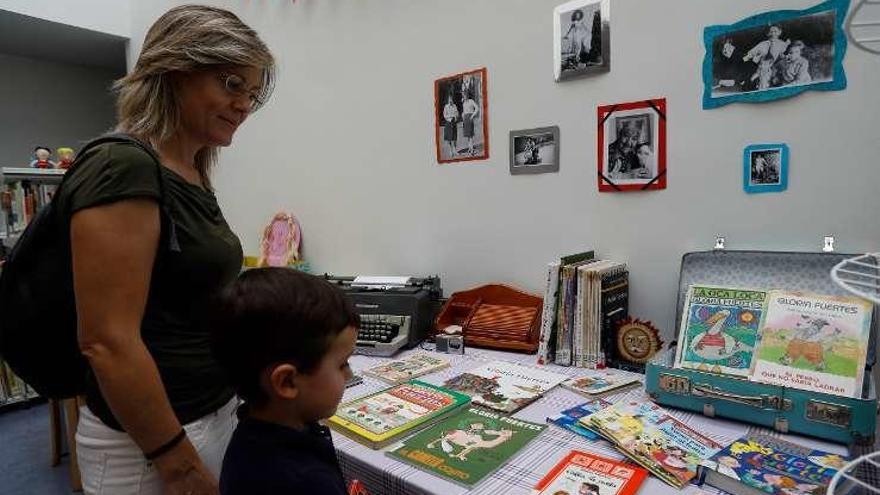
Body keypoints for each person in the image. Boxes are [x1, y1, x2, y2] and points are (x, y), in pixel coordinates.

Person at [62, 5, 275, 494]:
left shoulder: (194, 171)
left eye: (252, 92)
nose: (244, 104)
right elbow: (107, 340)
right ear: (175, 71)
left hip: (206, 415)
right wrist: (177, 463)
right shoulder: (124, 165)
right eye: (230, 83)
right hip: (149, 446)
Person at [212, 268, 360, 495]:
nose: (349, 375)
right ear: (287, 382)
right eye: (343, 364)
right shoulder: (307, 483)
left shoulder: (248, 435)